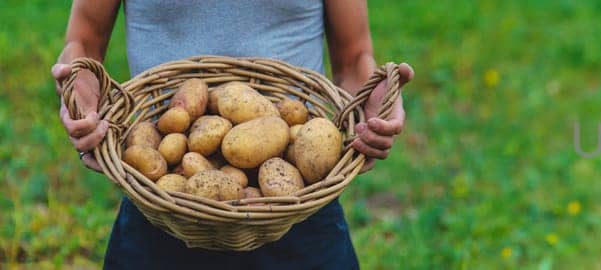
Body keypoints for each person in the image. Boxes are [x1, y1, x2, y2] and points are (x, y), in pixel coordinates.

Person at [53, 1, 412, 268]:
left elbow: (353, 57)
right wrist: (81, 85)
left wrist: (370, 101)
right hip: (160, 203)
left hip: (300, 203)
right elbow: (83, 39)